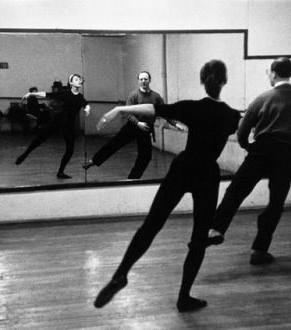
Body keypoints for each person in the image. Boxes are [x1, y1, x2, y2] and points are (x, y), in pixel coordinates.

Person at [94, 60, 241, 312]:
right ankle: (184, 297)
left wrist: (119, 110)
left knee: (152, 224)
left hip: (183, 168)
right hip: (207, 174)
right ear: (224, 81)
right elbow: (243, 127)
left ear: (202, 80)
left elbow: (155, 109)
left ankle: (121, 273)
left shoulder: (192, 107)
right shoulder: (231, 115)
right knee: (198, 239)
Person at [207, 57, 291, 265]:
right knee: (276, 203)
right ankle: (259, 250)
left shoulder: (262, 98)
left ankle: (216, 229)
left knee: (236, 191)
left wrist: (247, 146)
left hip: (261, 151)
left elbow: (243, 130)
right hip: (287, 154)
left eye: (268, 73)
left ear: (273, 73)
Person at [83, 71, 168, 179]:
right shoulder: (134, 95)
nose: (143, 81)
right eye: (141, 79)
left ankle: (133, 178)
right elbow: (127, 112)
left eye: (145, 79)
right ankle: (93, 161)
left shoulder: (156, 96)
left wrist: (174, 123)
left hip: (146, 128)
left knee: (146, 156)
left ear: (149, 80)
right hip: (133, 126)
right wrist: (138, 123)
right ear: (138, 81)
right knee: (115, 144)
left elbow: (165, 111)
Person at [17, 74, 90, 179]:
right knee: (41, 138)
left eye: (79, 79)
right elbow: (48, 94)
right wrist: (32, 94)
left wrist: (87, 109)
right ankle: (26, 153)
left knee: (70, 150)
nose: (78, 81)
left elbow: (86, 104)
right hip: (59, 120)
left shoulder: (80, 97)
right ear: (71, 83)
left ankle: (60, 172)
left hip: (69, 125)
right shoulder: (65, 93)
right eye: (76, 79)